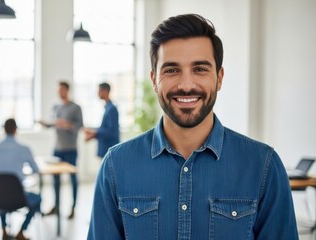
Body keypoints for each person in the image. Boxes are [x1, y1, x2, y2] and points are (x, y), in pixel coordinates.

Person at [87, 14, 298, 239]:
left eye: (199, 69)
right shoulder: (116, 167)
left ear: (219, 78)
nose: (186, 85)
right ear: (154, 80)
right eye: (171, 70)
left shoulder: (263, 166)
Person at [0, 119, 41, 240]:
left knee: (3, 193)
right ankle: (21, 231)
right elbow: (35, 169)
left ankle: (3, 229)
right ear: (16, 130)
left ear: (3, 130)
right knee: (37, 199)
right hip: (19, 197)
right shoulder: (24, 148)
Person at [38, 81, 83, 219]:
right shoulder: (56, 107)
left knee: (72, 178)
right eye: (58, 90)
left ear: (67, 90)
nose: (59, 92)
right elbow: (52, 123)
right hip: (57, 149)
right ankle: (56, 206)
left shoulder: (75, 108)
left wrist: (66, 124)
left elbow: (79, 126)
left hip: (70, 149)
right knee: (55, 179)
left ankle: (73, 208)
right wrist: (45, 123)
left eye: (62, 90)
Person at [84, 82, 120, 159]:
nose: (98, 93)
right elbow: (105, 127)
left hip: (109, 148)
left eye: (99, 90)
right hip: (106, 149)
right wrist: (93, 131)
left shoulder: (112, 109)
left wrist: (94, 133)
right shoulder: (107, 107)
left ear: (106, 91)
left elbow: (111, 131)